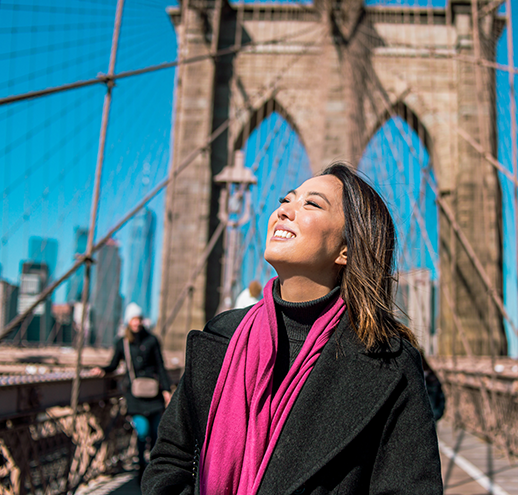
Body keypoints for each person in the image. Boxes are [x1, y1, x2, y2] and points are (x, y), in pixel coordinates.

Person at [143, 163, 443, 494]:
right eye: (286, 200)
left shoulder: (390, 363)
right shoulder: (222, 337)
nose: (285, 210)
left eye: (311, 204)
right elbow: (171, 461)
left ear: (346, 249)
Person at [94, 302, 171, 478]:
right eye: (133, 319)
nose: (136, 322)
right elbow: (113, 364)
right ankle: (142, 469)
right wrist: (103, 370)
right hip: (134, 395)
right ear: (128, 321)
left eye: (139, 319)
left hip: (153, 394)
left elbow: (161, 366)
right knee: (142, 431)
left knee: (155, 433)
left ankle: (153, 471)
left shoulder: (152, 340)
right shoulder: (122, 343)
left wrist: (166, 390)